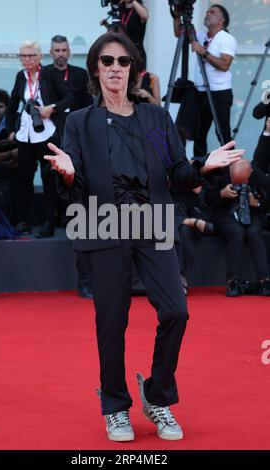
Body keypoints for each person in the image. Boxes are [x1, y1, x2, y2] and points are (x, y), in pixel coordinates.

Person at [44, 33, 243, 442]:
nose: (115, 68)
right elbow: (73, 183)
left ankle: (156, 395)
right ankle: (115, 407)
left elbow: (178, 174)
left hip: (153, 224)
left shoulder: (156, 120)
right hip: (103, 224)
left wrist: (205, 166)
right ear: (96, 70)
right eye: (107, 61)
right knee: (111, 323)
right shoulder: (79, 122)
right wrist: (66, 172)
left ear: (133, 68)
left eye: (123, 61)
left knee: (176, 311)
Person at [8, 40, 74, 238]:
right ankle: (25, 221)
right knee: (24, 179)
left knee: (49, 179)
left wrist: (52, 108)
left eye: (30, 55)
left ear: (39, 57)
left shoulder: (50, 74)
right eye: (23, 56)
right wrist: (12, 129)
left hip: (46, 134)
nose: (26, 59)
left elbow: (69, 98)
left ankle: (49, 223)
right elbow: (12, 105)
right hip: (26, 135)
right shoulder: (20, 76)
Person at [46, 34, 94, 298]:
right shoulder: (44, 75)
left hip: (95, 169)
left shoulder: (81, 78)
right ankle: (85, 280)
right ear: (51, 52)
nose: (61, 53)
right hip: (59, 147)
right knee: (82, 226)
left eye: (65, 49)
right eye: (57, 49)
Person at [174, 4, 237, 157]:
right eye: (207, 11)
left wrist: (204, 53)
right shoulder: (202, 36)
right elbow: (179, 33)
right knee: (199, 134)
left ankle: (230, 173)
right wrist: (177, 15)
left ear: (222, 20)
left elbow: (224, 65)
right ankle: (200, 169)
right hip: (201, 92)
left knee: (222, 134)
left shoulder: (226, 39)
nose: (207, 14)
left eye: (212, 12)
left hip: (219, 93)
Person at [205, 159, 270, 297]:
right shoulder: (220, 175)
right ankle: (232, 281)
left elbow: (267, 202)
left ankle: (264, 280)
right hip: (227, 216)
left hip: (253, 215)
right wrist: (221, 194)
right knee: (236, 231)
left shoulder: (259, 177)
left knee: (254, 232)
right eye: (236, 181)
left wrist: (257, 203)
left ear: (250, 172)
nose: (241, 185)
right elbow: (208, 199)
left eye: (244, 182)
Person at [101, 0, 148, 68]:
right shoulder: (121, 11)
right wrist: (107, 25)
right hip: (123, 52)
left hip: (136, 52)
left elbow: (144, 16)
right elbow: (120, 32)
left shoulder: (138, 9)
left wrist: (132, 1)